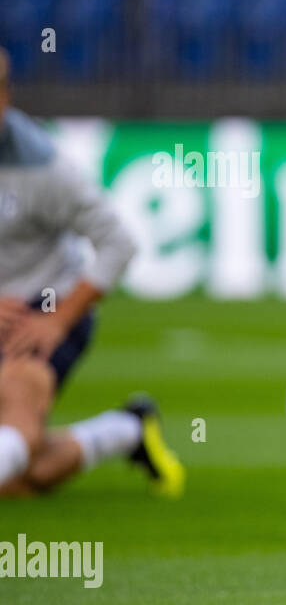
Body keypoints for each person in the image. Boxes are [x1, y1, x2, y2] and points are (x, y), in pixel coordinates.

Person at [0, 47, 184, 499]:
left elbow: (118, 244)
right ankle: (127, 430)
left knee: (19, 435)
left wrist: (58, 320)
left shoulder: (44, 168)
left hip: (34, 317)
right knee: (26, 479)